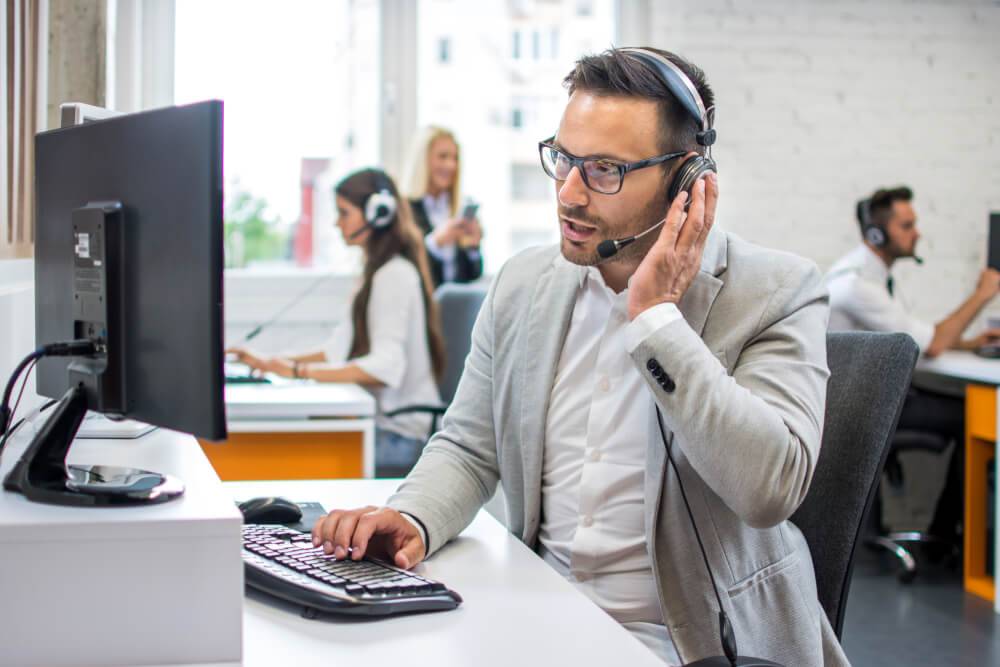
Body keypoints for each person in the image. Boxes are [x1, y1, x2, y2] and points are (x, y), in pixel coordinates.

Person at [313, 48, 846, 666]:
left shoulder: (777, 292)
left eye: (604, 170)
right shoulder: (523, 285)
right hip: (531, 609)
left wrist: (655, 320)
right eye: (564, 159)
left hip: (690, 642)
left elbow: (769, 488)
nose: (568, 193)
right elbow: (467, 448)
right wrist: (413, 518)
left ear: (686, 183)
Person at [228, 168, 446, 477]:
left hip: (402, 435)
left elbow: (384, 367)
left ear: (378, 214)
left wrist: (294, 372)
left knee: (290, 456)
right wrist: (270, 363)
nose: (336, 222)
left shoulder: (394, 275)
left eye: (344, 213)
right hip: (382, 425)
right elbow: (336, 351)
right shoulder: (373, 274)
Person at [826, 186, 1000, 546]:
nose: (916, 233)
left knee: (970, 409)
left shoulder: (866, 277)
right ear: (877, 233)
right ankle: (956, 537)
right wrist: (983, 295)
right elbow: (931, 343)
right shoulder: (857, 286)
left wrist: (968, 343)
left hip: (865, 400)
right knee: (973, 415)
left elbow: (910, 335)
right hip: (864, 410)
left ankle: (947, 532)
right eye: (907, 225)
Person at [403, 126, 484, 287]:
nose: (451, 165)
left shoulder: (460, 207)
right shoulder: (405, 209)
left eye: (455, 158)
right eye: (442, 156)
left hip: (456, 306)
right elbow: (406, 269)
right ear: (423, 160)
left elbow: (473, 273)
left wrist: (473, 246)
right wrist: (435, 242)